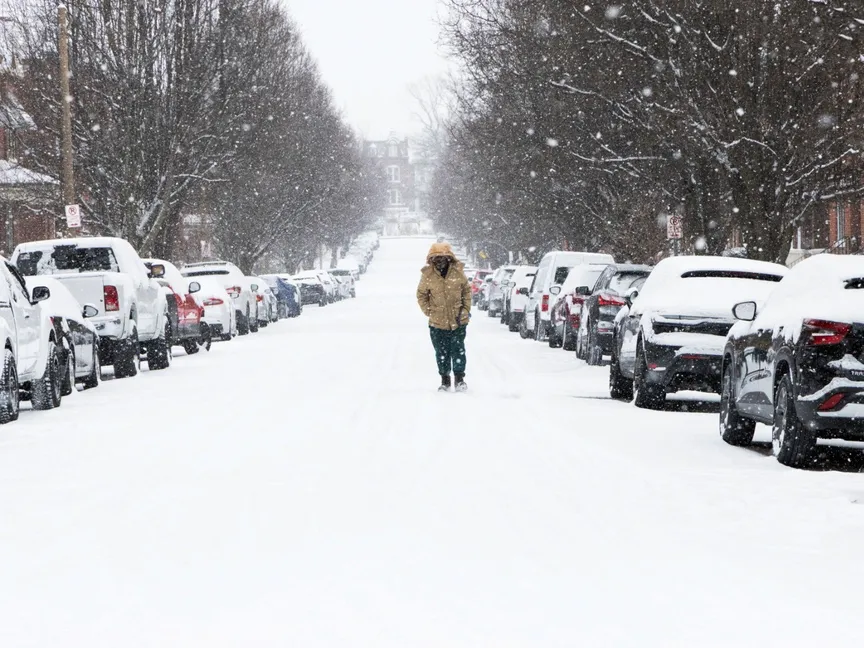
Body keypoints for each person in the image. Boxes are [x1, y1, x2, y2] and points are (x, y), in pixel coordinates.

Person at [416, 242, 472, 392]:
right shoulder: (427, 275)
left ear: (449, 258)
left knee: (458, 349)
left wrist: (465, 309)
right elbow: (421, 295)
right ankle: (445, 380)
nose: (439, 261)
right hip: (437, 323)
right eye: (436, 258)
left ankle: (460, 380)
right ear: (431, 259)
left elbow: (466, 291)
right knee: (441, 352)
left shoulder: (458, 272)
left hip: (458, 320)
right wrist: (429, 311)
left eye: (442, 257)